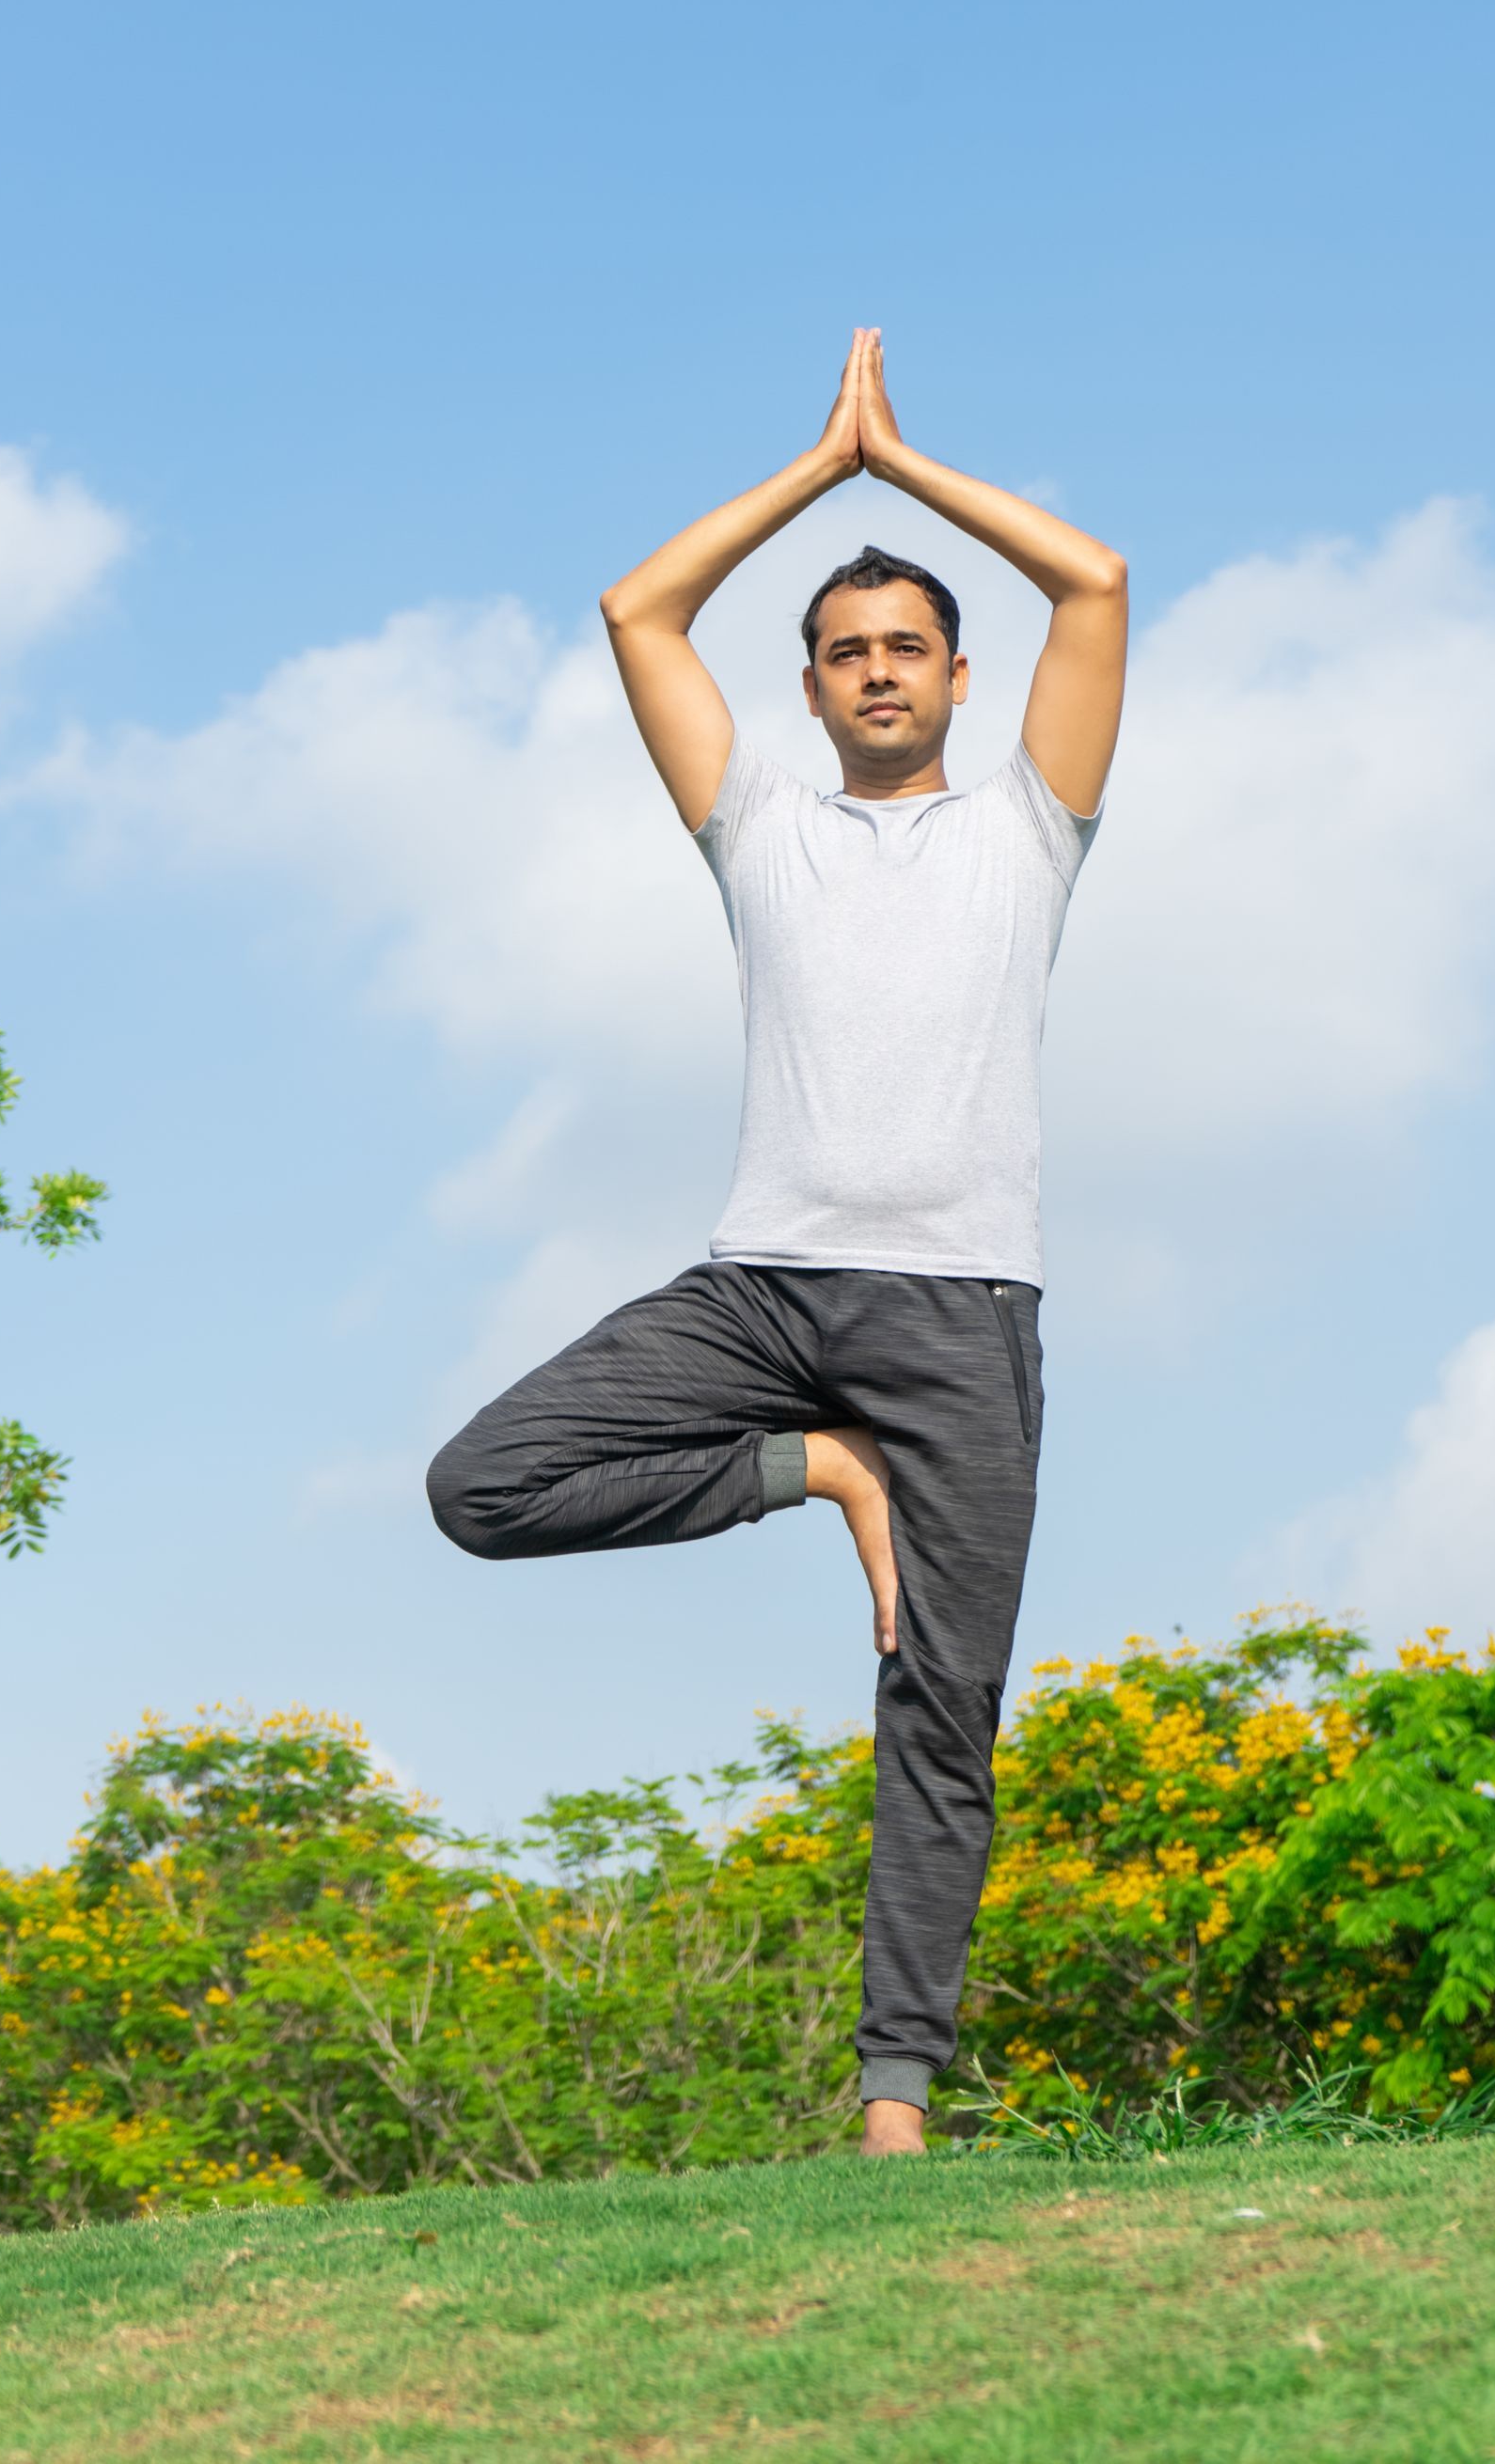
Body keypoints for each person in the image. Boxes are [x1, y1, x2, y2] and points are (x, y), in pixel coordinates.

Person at [428, 329, 1127, 2156]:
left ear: (960, 679)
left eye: (907, 647)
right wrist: (823, 474)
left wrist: (910, 467)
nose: (879, 671)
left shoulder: (1030, 831)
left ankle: (895, 2099)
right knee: (480, 1484)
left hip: (965, 1314)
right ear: (808, 692)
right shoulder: (757, 829)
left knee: (943, 1704)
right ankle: (819, 1469)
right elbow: (636, 608)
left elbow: (1097, 579)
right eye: (846, 654)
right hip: (761, 1292)